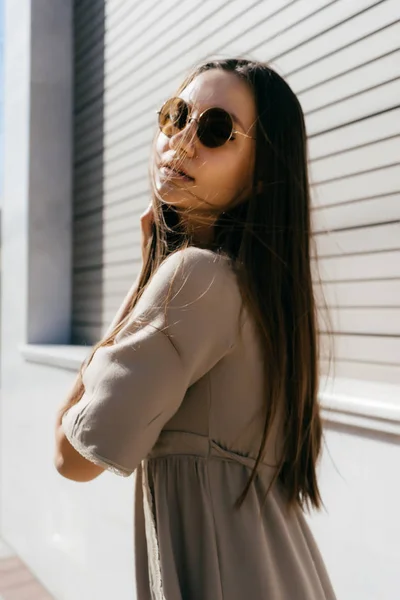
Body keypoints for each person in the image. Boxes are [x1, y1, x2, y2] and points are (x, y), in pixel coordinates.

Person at [54, 58, 337, 600]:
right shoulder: (267, 302)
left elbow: (70, 455)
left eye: (214, 130)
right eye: (175, 115)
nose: (181, 141)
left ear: (261, 174)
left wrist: (145, 280)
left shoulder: (194, 279)